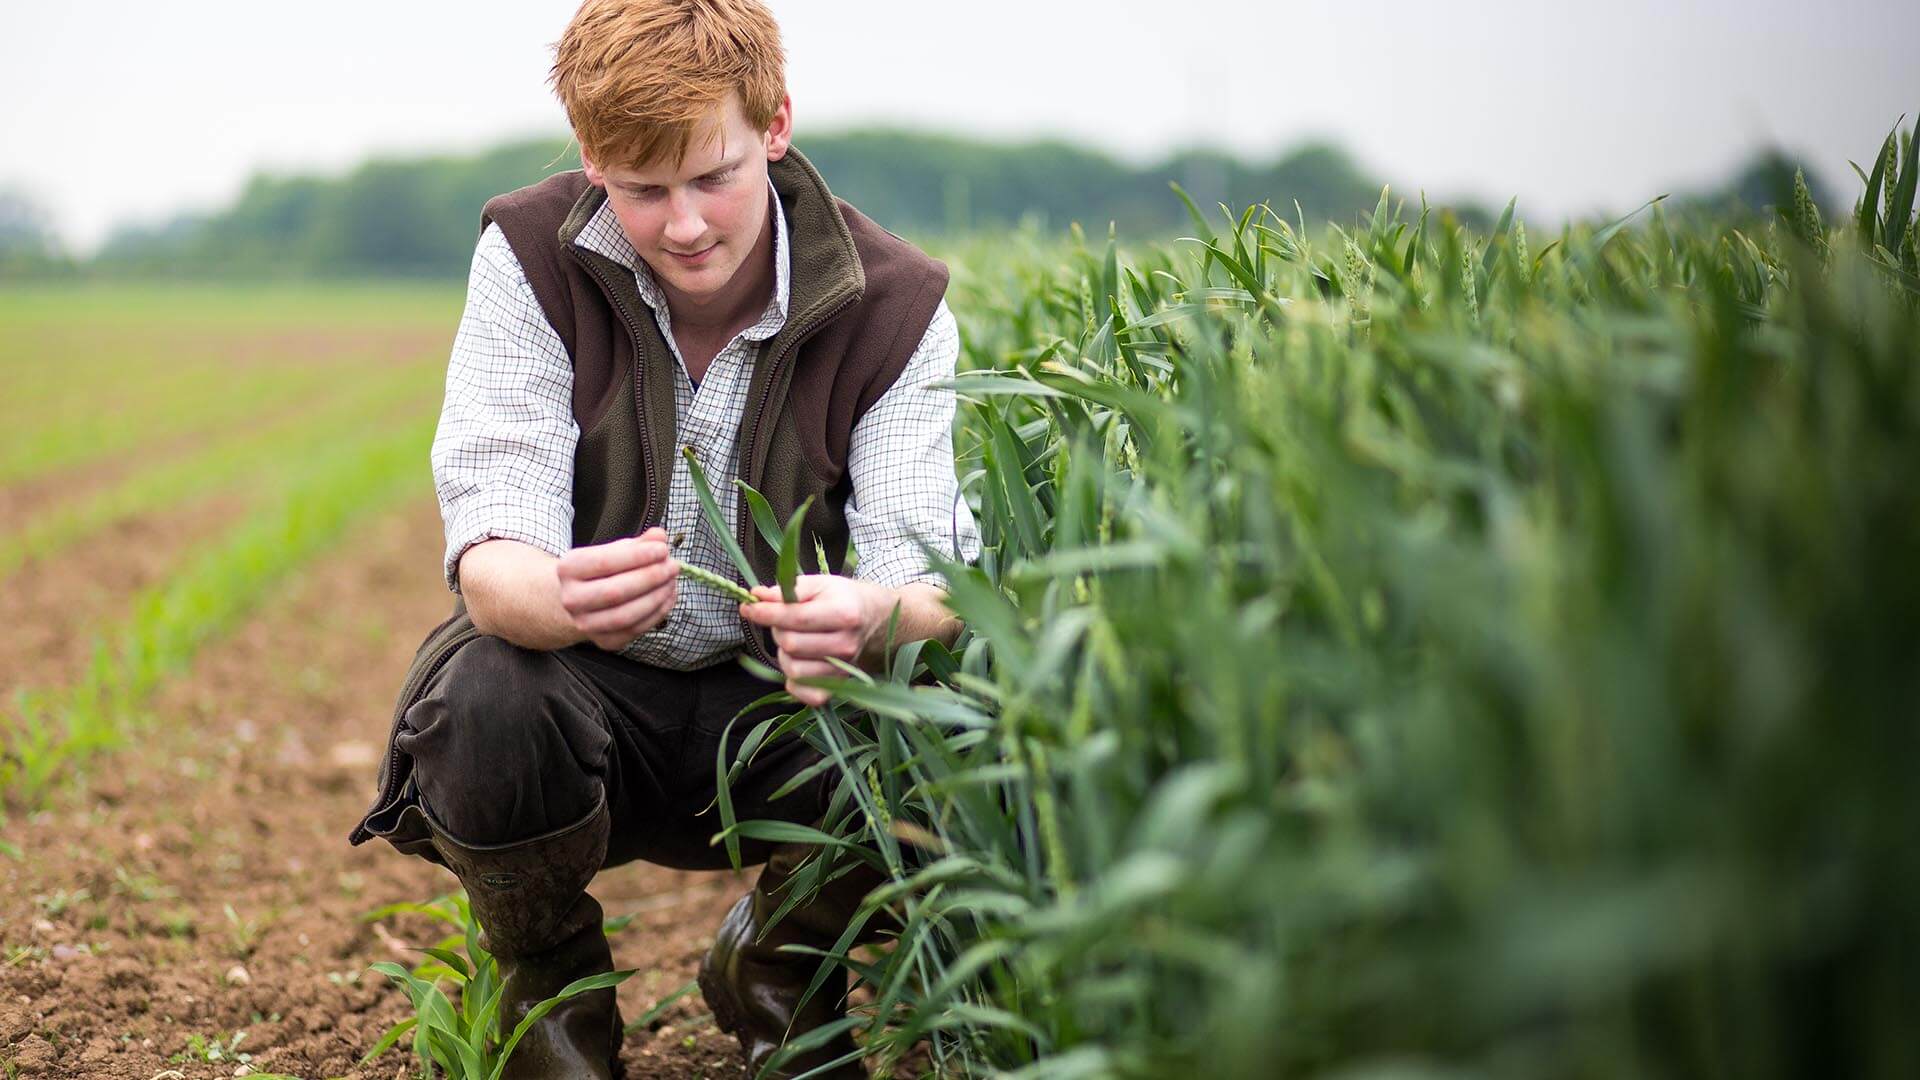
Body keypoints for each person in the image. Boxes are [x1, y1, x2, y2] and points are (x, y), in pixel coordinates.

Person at [345, 1, 980, 1076]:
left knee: (948, 701)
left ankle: (785, 968)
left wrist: (874, 618)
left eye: (712, 177)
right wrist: (559, 597)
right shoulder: (531, 257)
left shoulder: (897, 306)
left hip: (787, 714)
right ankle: (548, 994)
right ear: (592, 159)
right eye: (642, 190)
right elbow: (494, 555)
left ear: (775, 124)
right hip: (593, 702)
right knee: (487, 691)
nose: (684, 224)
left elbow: (936, 587)